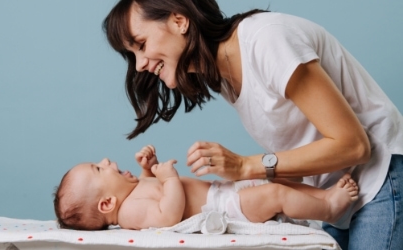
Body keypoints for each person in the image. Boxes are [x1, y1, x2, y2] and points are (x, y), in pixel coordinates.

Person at [102, 1, 403, 249]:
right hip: (340, 196)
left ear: (179, 21)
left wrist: (246, 167)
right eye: (133, 55)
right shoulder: (225, 76)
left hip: (380, 180)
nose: (139, 64)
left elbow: (354, 145)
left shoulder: (266, 41)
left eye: (141, 44)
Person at [53, 145, 358, 231]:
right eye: (98, 168)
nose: (106, 160)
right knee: (274, 195)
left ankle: (324, 199)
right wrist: (169, 178)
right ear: (107, 204)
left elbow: (150, 186)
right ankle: (330, 208)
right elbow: (166, 216)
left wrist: (150, 167)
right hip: (224, 210)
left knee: (277, 180)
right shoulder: (130, 212)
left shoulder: (132, 193)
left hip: (223, 191)